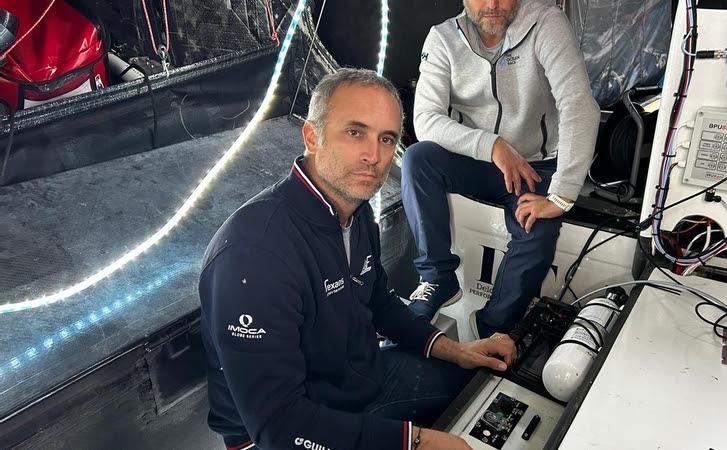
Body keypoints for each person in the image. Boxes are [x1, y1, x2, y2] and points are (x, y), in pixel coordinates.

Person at [199, 68, 517, 450]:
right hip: (279, 433)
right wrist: (416, 442)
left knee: (483, 388)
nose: (374, 156)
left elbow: (379, 300)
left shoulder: (355, 207)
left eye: (387, 139)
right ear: (312, 136)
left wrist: (457, 350)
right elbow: (279, 427)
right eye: (355, 132)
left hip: (357, 382)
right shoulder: (251, 257)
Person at [403, 0, 600, 337]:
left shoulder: (546, 23)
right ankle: (437, 277)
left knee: (536, 227)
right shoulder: (443, 37)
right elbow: (425, 119)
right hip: (477, 159)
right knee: (418, 159)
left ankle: (492, 331)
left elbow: (578, 104)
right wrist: (491, 146)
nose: (493, 4)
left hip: (535, 164)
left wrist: (562, 195)